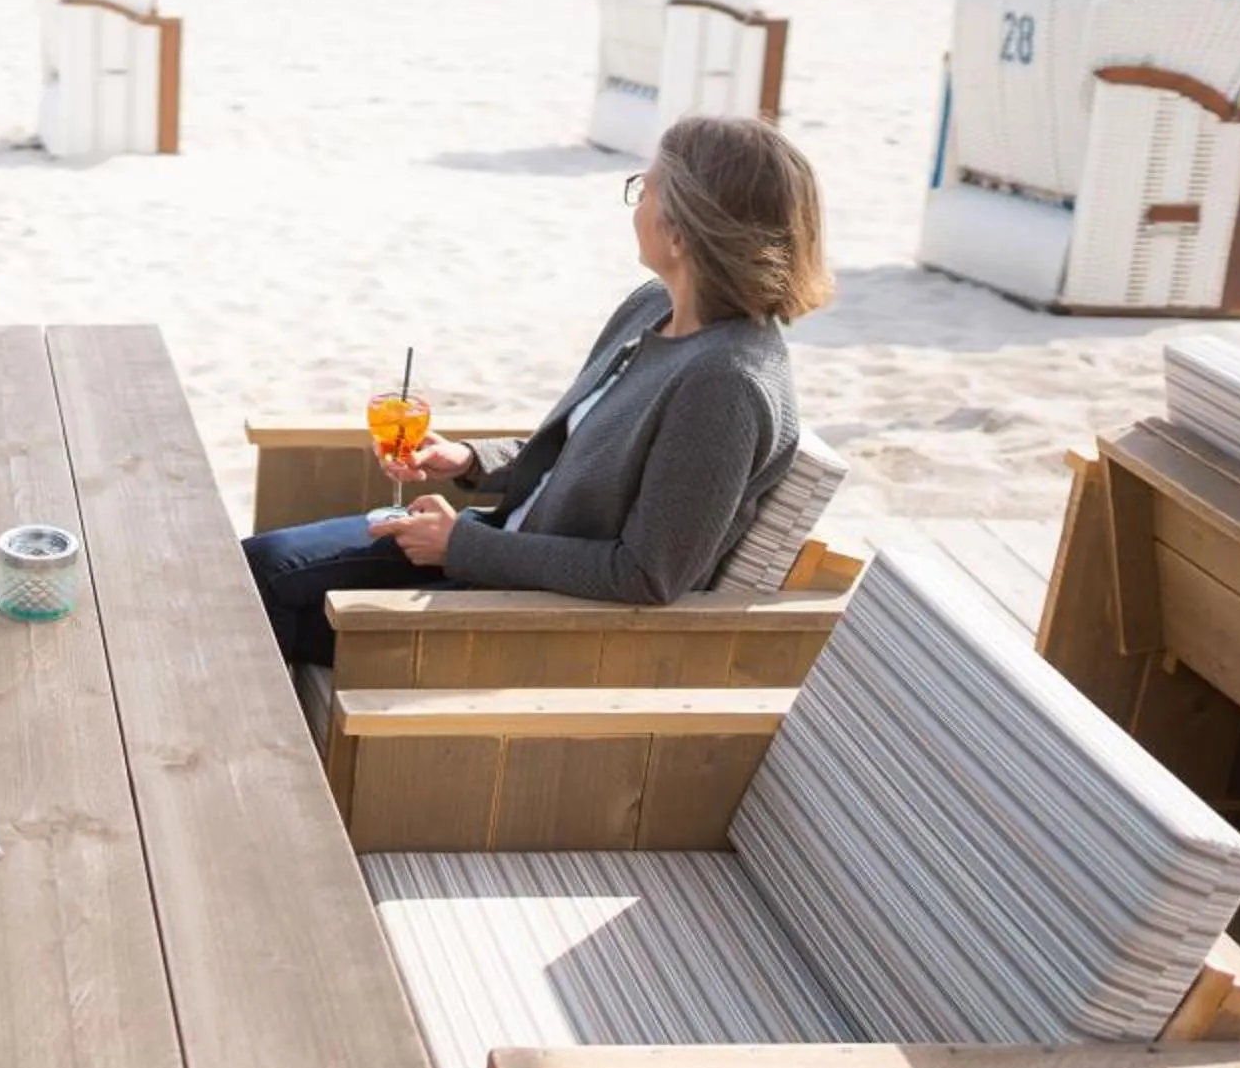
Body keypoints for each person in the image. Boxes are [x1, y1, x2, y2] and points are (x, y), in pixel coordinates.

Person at [243, 114, 834, 668]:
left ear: (679, 234)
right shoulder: (652, 308)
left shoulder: (724, 386)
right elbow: (591, 449)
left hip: (532, 619)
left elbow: (648, 574)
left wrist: (460, 546)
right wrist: (474, 460)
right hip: (500, 552)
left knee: (254, 596)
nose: (635, 206)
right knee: (248, 570)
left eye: (644, 190)